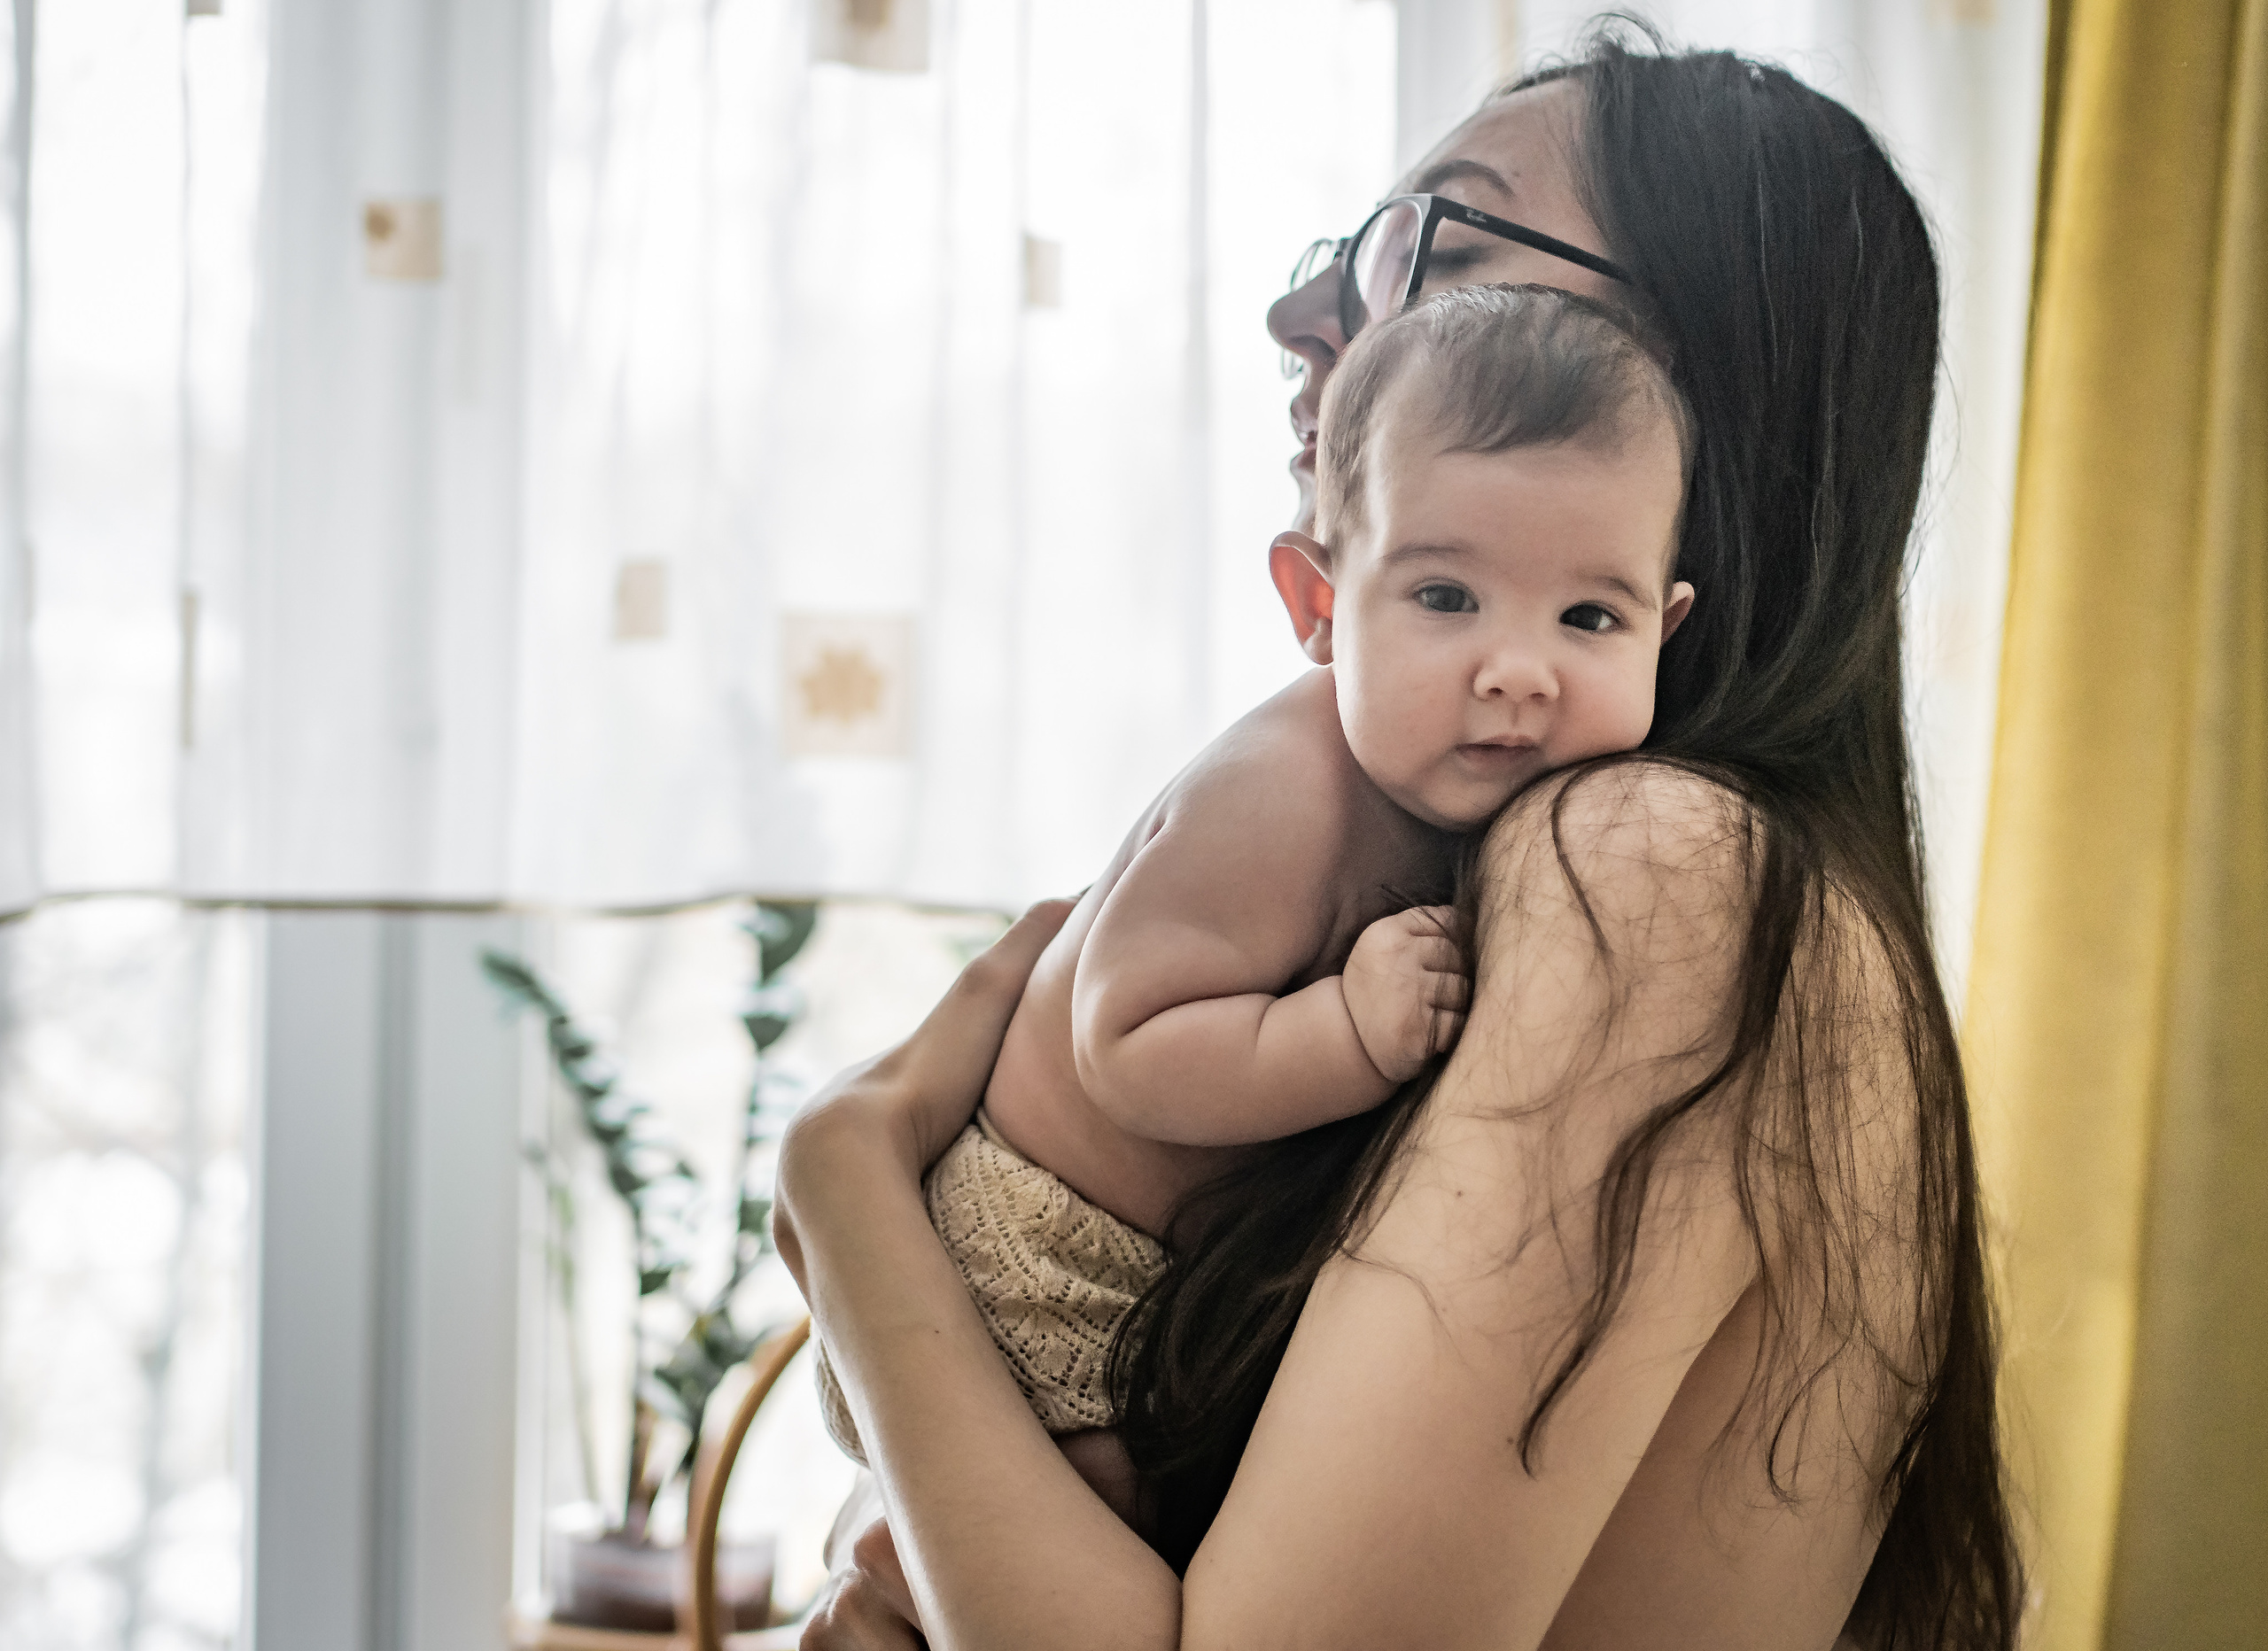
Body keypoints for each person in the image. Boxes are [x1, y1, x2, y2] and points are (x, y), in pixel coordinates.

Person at [774, 27, 2024, 1651]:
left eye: (1432, 244)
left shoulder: (1666, 876)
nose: (1309, 316)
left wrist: (846, 1193)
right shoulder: (1564, 876)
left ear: (1711, 390)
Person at [809, 284, 1696, 1506]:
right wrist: (1342, 1031)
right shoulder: (1285, 792)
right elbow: (1125, 1041)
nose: (1518, 672)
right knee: (1104, 1555)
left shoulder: (1533, 812)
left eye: (1590, 616)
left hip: (1164, 1295)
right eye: (1446, 598)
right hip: (1031, 1270)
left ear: (1668, 628)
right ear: (1318, 603)